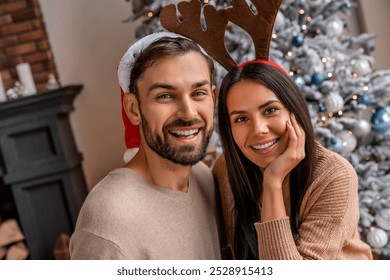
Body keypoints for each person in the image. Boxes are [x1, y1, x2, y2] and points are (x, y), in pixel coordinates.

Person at [69, 32, 221, 259]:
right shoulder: (109, 223)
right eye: (165, 96)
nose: (188, 113)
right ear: (133, 109)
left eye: (198, 93)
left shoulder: (202, 178)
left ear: (213, 98)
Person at [212, 60, 373, 260]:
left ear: (294, 111)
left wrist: (272, 181)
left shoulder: (334, 175)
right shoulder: (226, 169)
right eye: (241, 119)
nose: (259, 129)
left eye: (270, 110)